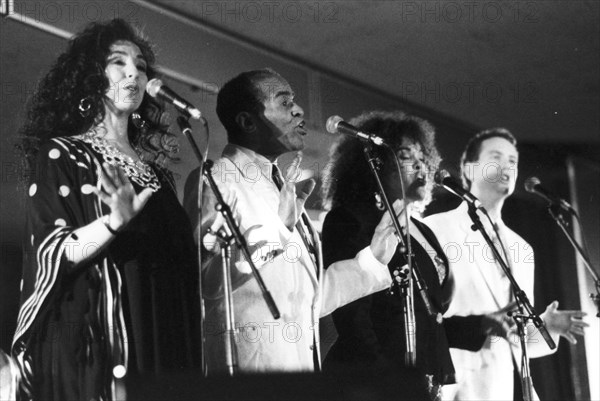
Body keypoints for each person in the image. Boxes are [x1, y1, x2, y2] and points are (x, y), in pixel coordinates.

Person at [12, 19, 200, 400]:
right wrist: (113, 223)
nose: (134, 71)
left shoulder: (158, 176)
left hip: (166, 333)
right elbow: (54, 252)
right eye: (118, 62)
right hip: (102, 336)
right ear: (89, 78)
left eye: (142, 66)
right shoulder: (62, 154)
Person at [183, 69, 398, 374]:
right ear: (247, 121)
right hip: (248, 374)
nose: (299, 110)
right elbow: (208, 277)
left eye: (295, 101)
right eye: (284, 103)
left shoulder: (280, 187)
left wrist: (372, 260)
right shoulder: (217, 178)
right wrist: (279, 231)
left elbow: (309, 300)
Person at [320, 111, 487, 400]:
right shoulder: (350, 219)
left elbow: (427, 317)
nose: (421, 165)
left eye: (424, 156)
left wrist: (482, 325)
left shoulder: (421, 230)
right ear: (375, 162)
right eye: (407, 155)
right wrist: (388, 378)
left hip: (423, 379)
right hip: (373, 383)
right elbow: (353, 319)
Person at [424, 128, 588, 400]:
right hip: (462, 387)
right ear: (470, 168)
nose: (508, 165)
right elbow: (426, 319)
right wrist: (480, 325)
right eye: (497, 157)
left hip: (511, 387)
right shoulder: (436, 229)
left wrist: (547, 327)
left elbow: (516, 339)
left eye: (513, 160)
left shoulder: (522, 248)